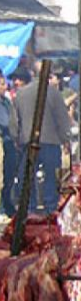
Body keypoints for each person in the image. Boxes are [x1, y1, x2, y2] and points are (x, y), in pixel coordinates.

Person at [9, 62, 72, 213]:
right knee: (51, 176)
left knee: (28, 177)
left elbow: (14, 123)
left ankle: (29, 209)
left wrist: (17, 139)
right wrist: (65, 139)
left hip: (27, 142)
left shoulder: (20, 94)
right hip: (50, 142)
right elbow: (62, 119)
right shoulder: (54, 93)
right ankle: (50, 209)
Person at [0, 75, 14, 215]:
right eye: (2, 84)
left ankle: (7, 206)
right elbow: (5, 123)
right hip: (3, 143)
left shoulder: (6, 102)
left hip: (10, 143)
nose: (5, 87)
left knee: (9, 176)